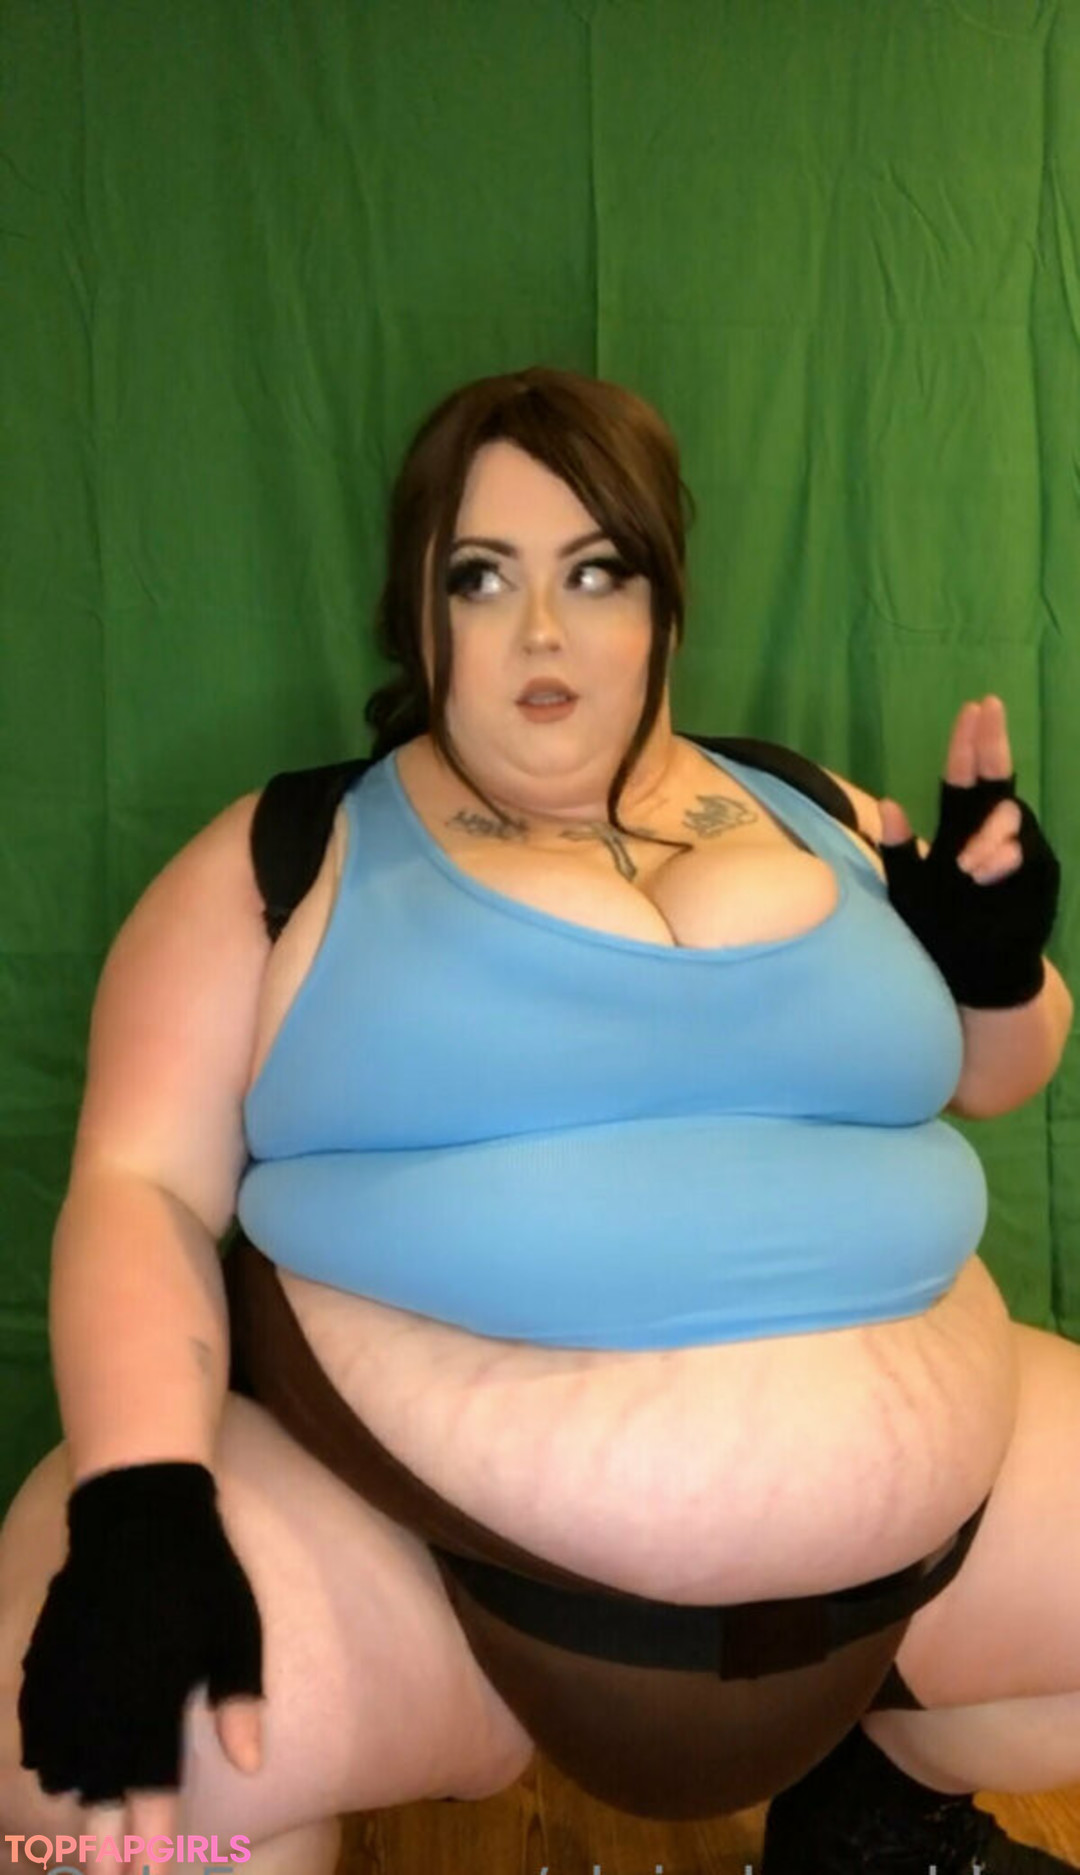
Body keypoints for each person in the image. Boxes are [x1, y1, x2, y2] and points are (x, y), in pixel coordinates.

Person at [0, 365, 1074, 1875]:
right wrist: (141, 1503)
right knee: (93, 1804)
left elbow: (992, 1072)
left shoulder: (819, 806)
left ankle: (876, 1820)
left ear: (666, 600)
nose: (544, 633)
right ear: (417, 611)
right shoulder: (285, 857)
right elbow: (139, 1186)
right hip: (421, 1581)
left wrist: (997, 967)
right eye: (483, 577)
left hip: (927, 1563)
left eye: (596, 572)